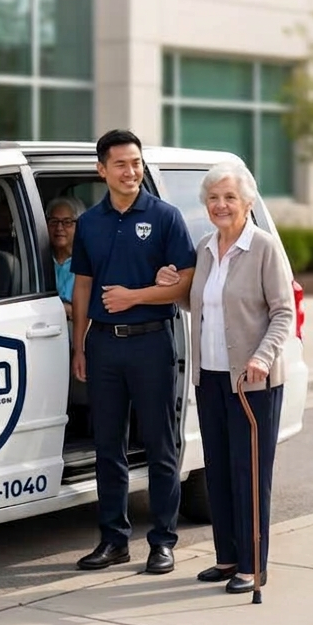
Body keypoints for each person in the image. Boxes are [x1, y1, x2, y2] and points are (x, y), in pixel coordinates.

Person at [157, 161, 292, 594]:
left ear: (247, 202)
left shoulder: (263, 248)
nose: (220, 205)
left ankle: (253, 567)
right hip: (210, 377)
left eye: (229, 197)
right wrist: (172, 285)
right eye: (213, 198)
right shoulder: (205, 248)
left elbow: (283, 312)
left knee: (249, 474)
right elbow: (200, 306)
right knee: (217, 471)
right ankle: (228, 557)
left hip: (252, 381)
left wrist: (262, 356)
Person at [70, 129, 196, 574]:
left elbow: (186, 283)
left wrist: (135, 296)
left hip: (151, 342)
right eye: (121, 164)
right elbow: (83, 284)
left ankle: (162, 541)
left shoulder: (165, 216)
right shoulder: (89, 223)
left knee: (161, 444)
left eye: (137, 163)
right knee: (108, 446)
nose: (131, 172)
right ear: (102, 170)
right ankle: (114, 540)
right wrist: (79, 344)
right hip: (103, 345)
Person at [46, 196, 85, 321]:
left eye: (67, 222)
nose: (59, 228)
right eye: (54, 222)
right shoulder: (37, 259)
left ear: (79, 226)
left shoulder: (88, 261)